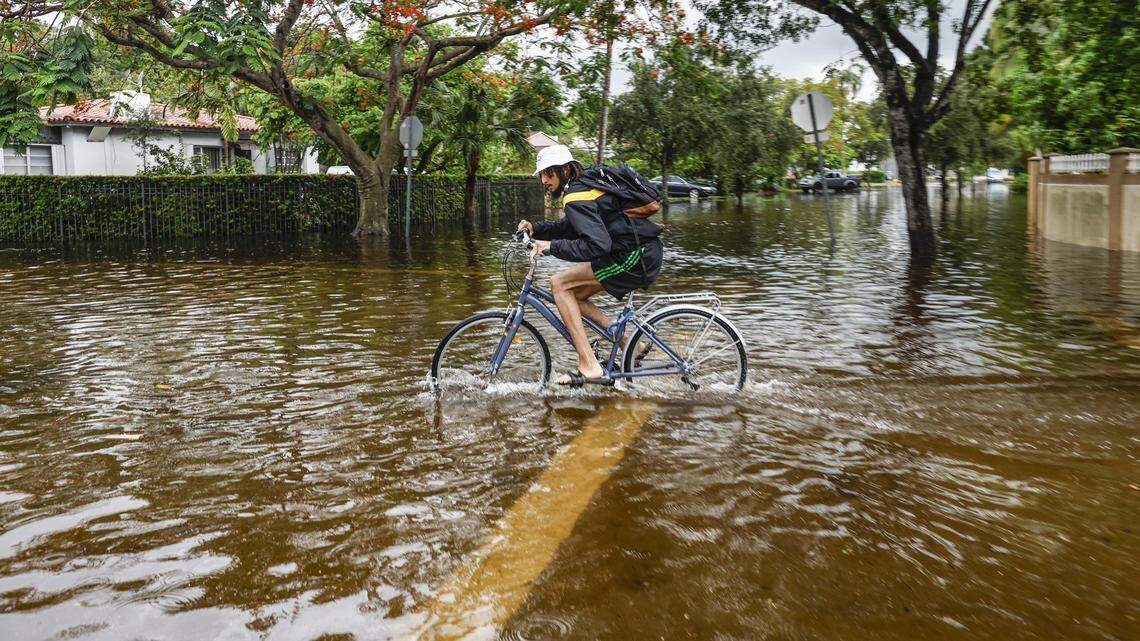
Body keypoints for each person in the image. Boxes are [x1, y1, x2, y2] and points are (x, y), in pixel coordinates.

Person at [517, 144, 664, 387]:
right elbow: (574, 226)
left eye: (548, 172)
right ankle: (630, 345)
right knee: (572, 294)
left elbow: (597, 246)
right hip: (640, 251)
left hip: (632, 257)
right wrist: (537, 228)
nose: (544, 179)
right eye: (542, 174)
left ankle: (589, 365)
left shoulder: (576, 195)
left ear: (564, 170)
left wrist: (550, 247)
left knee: (559, 284)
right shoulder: (584, 186)